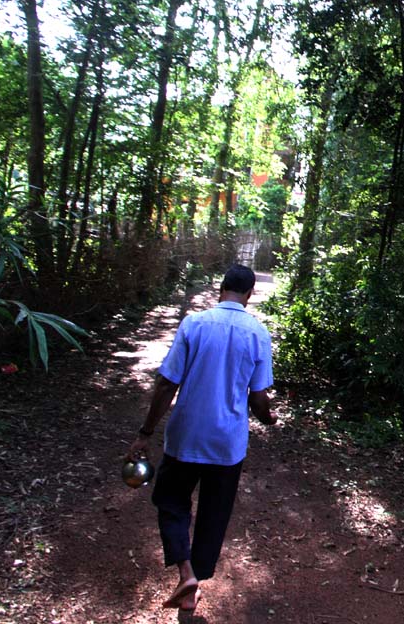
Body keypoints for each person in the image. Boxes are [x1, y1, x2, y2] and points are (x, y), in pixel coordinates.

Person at [125, 264, 278, 618]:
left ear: (220, 289)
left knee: (171, 500)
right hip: (227, 445)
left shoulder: (194, 324)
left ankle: (186, 574)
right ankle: (193, 587)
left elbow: (167, 383)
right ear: (250, 295)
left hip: (186, 437)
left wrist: (145, 433)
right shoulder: (257, 333)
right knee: (215, 513)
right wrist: (269, 417)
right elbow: (258, 397)